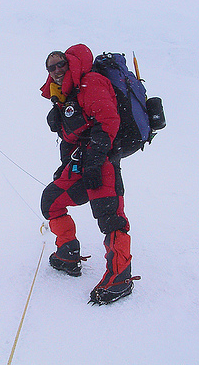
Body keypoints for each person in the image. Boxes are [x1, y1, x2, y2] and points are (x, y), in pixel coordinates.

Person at [40, 44, 136, 305]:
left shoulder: (90, 82)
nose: (57, 70)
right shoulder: (63, 94)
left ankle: (120, 278)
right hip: (80, 162)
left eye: (61, 64)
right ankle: (67, 254)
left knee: (110, 217)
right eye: (52, 67)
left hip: (102, 161)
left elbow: (108, 123)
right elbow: (72, 135)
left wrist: (94, 163)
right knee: (52, 201)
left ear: (71, 62)